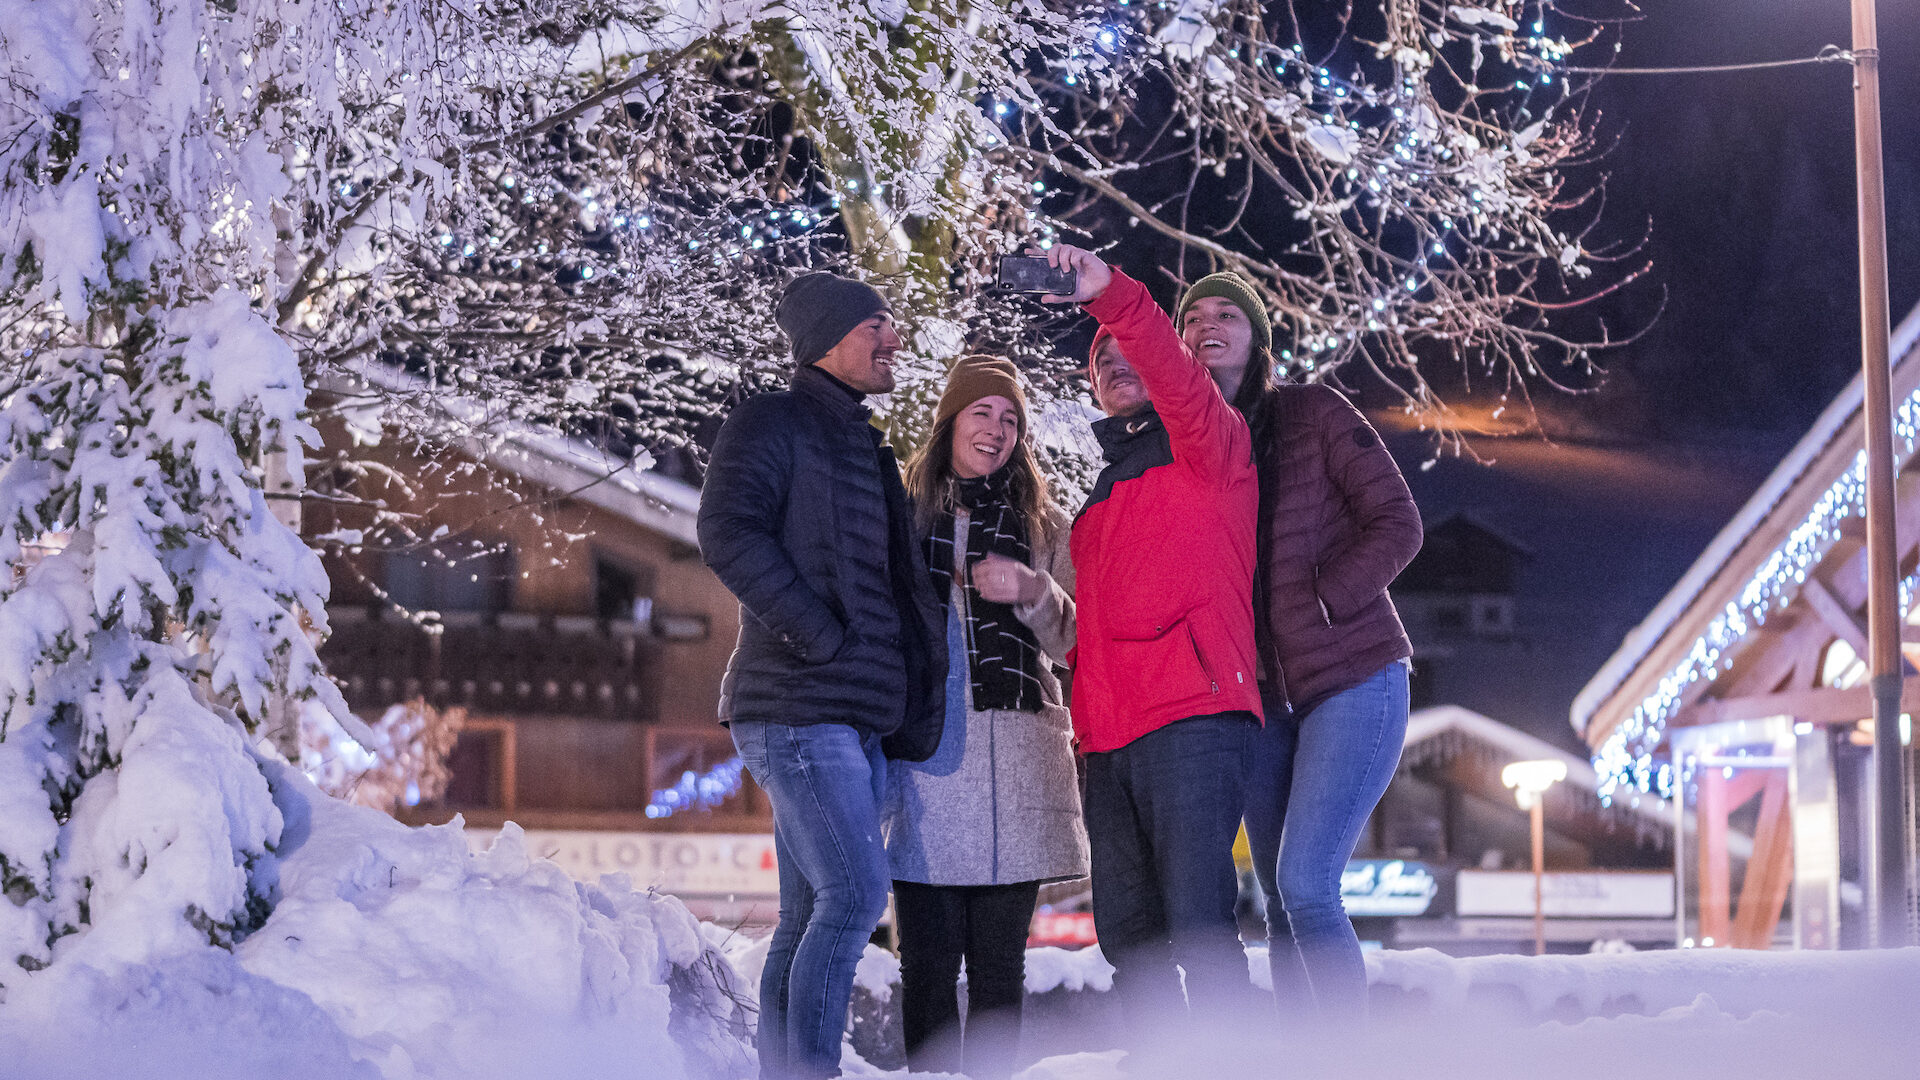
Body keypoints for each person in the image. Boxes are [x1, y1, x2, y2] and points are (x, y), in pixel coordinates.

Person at [697, 271, 946, 1080]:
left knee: (809, 913)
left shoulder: (866, 447)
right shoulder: (772, 421)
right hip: (800, 707)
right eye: (877, 324)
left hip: (856, 716)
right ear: (828, 339)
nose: (894, 339)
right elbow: (727, 532)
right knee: (853, 898)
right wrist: (819, 635)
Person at [1176, 271, 1422, 1023]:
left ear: (1258, 337)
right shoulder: (1185, 449)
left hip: (1353, 676)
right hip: (1260, 703)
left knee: (1307, 882)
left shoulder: (1311, 414)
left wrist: (1324, 600)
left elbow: (1398, 522)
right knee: (1281, 900)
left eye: (1228, 313)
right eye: (1191, 317)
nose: (1207, 324)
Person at [1035, 244, 1265, 1047]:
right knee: (1128, 937)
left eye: (1131, 347)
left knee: (1201, 926)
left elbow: (1175, 374)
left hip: (1193, 717)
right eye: (1103, 358)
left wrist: (1111, 299)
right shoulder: (1094, 508)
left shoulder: (1211, 448)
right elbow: (1088, 639)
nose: (1117, 359)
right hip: (1109, 741)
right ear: (1092, 385)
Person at [884, 354, 1090, 1080]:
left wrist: (1035, 590)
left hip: (1019, 769)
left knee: (1001, 971)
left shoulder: (1046, 526)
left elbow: (1076, 643)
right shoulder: (900, 517)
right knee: (929, 970)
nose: (997, 431)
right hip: (926, 763)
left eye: (1011, 420)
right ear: (950, 420)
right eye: (983, 413)